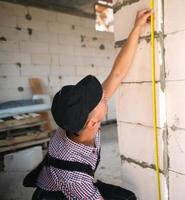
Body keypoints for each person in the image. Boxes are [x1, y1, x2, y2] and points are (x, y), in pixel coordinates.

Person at [23, 8, 153, 200]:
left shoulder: (75, 123)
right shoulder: (76, 180)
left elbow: (117, 73)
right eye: (99, 98)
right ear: (93, 123)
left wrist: (137, 27)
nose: (103, 94)